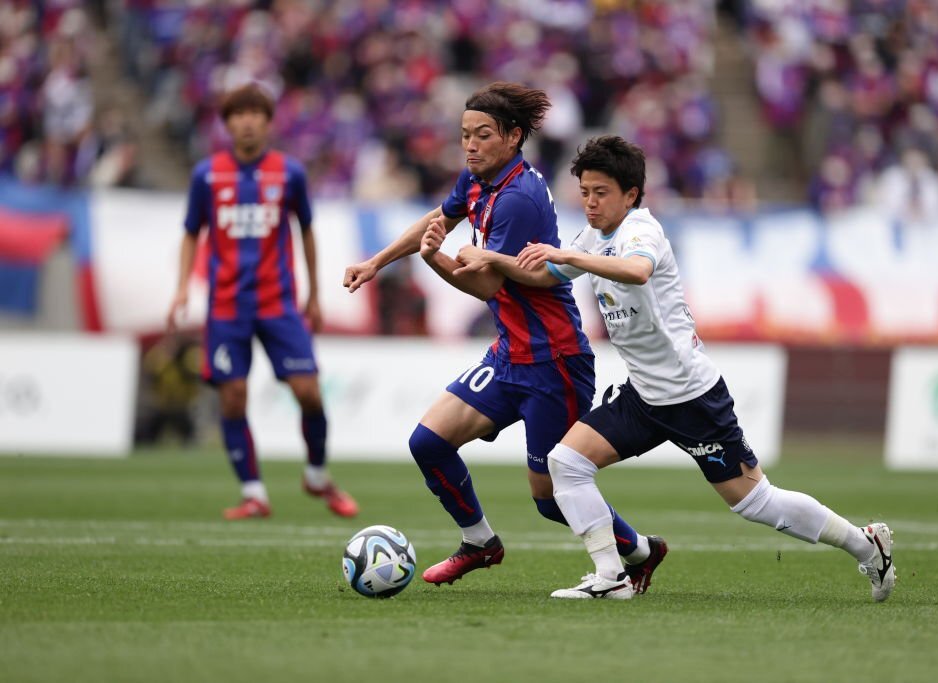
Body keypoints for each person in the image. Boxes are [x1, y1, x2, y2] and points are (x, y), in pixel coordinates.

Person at [455, 136, 895, 601]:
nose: (590, 202)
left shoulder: (641, 231)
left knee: (756, 502)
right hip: (643, 397)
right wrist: (495, 259)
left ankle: (865, 544)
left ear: (631, 194)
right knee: (566, 463)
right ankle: (611, 577)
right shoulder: (593, 236)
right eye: (584, 192)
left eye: (601, 192)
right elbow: (545, 275)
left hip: (690, 397)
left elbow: (637, 270)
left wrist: (565, 254)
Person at [343, 83, 666, 590]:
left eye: (483, 135)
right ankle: (480, 542)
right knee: (428, 442)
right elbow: (438, 220)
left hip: (552, 362)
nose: (470, 145)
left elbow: (488, 284)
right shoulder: (476, 181)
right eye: (465, 135)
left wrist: (435, 260)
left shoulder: (518, 197)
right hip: (509, 353)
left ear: (513, 137)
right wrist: (376, 261)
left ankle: (640, 549)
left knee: (550, 497)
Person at [167, 83, 358, 521]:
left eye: (256, 113)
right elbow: (191, 232)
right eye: (239, 114)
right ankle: (254, 493)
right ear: (228, 122)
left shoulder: (289, 173)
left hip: (279, 304)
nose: (248, 121)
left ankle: (316, 476)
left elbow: (306, 229)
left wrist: (313, 293)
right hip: (227, 307)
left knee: (309, 393)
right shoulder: (207, 175)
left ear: (268, 122)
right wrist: (181, 288)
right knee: (233, 397)